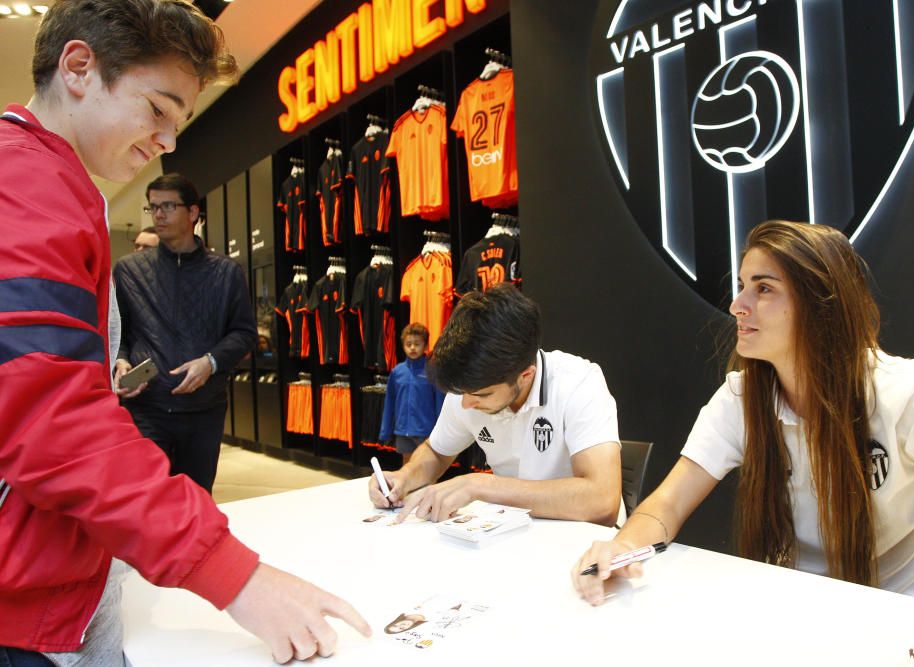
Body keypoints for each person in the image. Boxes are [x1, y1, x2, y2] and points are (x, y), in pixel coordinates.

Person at [0, 1, 370, 664]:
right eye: (158, 110)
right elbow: (50, 421)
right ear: (80, 68)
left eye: (180, 122)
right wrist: (235, 576)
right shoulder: (23, 185)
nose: (167, 142)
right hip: (24, 604)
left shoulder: (52, 184)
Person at [571, 220, 914, 607]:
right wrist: (621, 546)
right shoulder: (741, 398)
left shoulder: (909, 394)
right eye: (742, 286)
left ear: (820, 305)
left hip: (907, 613)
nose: (738, 305)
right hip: (798, 606)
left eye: (763, 288)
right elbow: (666, 505)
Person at [369, 284, 622, 526]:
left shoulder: (578, 383)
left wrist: (481, 486)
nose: (466, 404)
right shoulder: (468, 388)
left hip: (581, 543)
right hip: (508, 531)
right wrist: (405, 477)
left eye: (483, 394)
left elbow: (602, 502)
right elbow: (437, 452)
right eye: (463, 393)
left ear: (525, 375)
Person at [113, 172, 254, 492]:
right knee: (144, 497)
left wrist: (211, 361)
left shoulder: (226, 272)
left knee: (197, 499)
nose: (159, 214)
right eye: (153, 208)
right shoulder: (129, 270)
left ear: (193, 213)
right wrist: (120, 362)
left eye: (168, 206)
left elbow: (244, 333)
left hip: (203, 411)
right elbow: (118, 330)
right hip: (146, 408)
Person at [378, 322, 445, 464]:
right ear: (403, 346)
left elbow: (440, 403)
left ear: (426, 346)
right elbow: (389, 402)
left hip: (426, 431)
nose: (412, 347)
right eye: (408, 344)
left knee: (427, 467)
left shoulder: (432, 370)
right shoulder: (397, 372)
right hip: (403, 431)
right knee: (407, 466)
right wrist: (385, 430)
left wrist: (441, 431)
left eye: (417, 343)